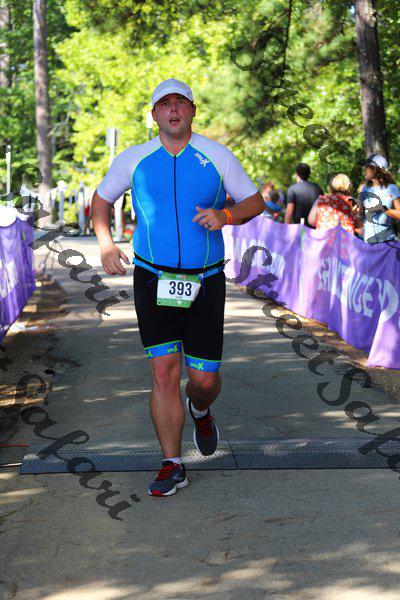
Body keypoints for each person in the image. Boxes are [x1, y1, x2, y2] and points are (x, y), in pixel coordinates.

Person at [91, 78, 264, 497]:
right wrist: (106, 244)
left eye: (181, 103)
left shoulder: (217, 156)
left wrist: (226, 216)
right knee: (164, 371)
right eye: (165, 104)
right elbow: (100, 201)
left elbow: (255, 201)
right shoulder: (134, 158)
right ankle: (172, 463)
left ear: (192, 110)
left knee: (203, 378)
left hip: (205, 279)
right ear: (154, 114)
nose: (173, 110)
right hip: (153, 277)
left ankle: (201, 408)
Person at [359, 154, 400, 245]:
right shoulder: (365, 189)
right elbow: (361, 216)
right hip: (368, 243)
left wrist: (383, 209)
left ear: (375, 169)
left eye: (367, 167)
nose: (364, 170)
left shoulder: (392, 188)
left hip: (386, 243)